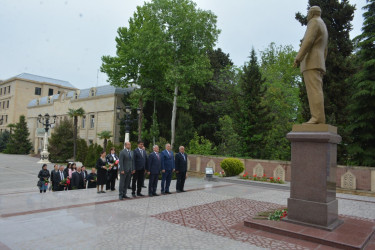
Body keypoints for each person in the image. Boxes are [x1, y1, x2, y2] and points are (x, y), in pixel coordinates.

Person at [294, 6, 328, 124]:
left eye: (308, 13)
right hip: (318, 61)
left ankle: (317, 118)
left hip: (311, 61)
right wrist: (322, 61)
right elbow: (325, 49)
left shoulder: (314, 22)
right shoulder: (323, 24)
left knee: (314, 91)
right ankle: (318, 117)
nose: (307, 16)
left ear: (312, 13)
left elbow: (308, 40)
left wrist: (298, 57)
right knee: (317, 90)